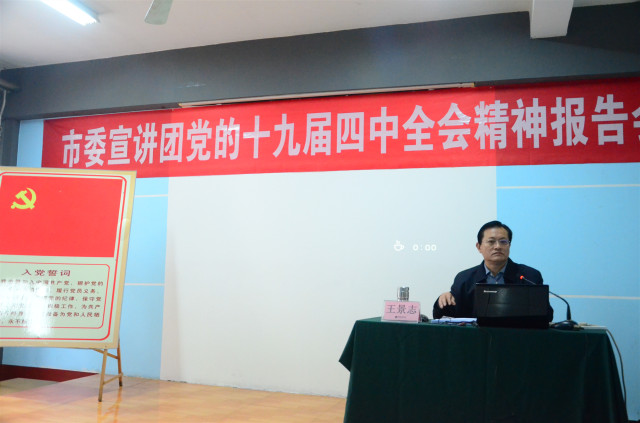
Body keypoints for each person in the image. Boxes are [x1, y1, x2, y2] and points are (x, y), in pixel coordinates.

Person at [433, 220, 553, 321]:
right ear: (479, 247)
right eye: (491, 241)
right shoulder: (464, 278)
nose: (497, 246)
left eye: (503, 241)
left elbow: (546, 316)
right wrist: (442, 301)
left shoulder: (529, 276)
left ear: (509, 245)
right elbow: (449, 316)